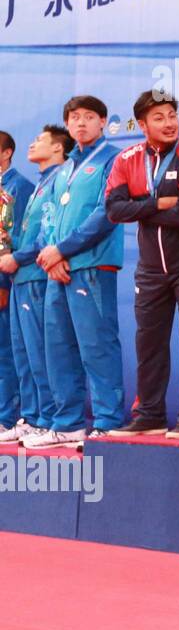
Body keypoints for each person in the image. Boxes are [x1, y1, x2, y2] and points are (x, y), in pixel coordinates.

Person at [105, 92, 179, 438]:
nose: (169, 123)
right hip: (150, 270)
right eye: (159, 118)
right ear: (142, 125)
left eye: (172, 115)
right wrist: (155, 202)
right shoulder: (127, 160)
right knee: (149, 343)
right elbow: (113, 210)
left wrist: (138, 204)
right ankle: (150, 414)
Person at [25, 97, 125, 449]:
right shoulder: (64, 169)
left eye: (88, 117)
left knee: (96, 346)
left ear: (102, 122)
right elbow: (49, 217)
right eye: (74, 118)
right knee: (59, 349)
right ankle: (67, 424)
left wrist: (62, 250)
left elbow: (106, 212)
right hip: (58, 270)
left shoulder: (114, 159)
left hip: (93, 265)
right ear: (68, 125)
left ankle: (108, 421)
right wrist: (51, 256)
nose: (81, 123)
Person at [0, 126, 70, 444]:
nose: (33, 143)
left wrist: (17, 255)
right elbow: (24, 231)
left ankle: (47, 417)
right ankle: (31, 417)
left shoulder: (43, 183)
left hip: (33, 275)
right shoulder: (42, 181)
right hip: (19, 276)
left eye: (39, 140)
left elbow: (46, 233)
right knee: (23, 352)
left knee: (41, 352)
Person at [0, 130, 36, 436]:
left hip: (10, 280)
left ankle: (9, 418)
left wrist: (3, 281)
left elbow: (17, 239)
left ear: (7, 153)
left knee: (8, 353)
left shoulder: (19, 187)